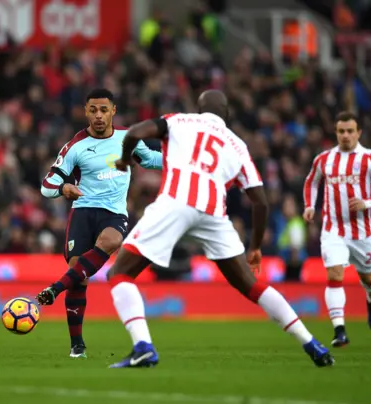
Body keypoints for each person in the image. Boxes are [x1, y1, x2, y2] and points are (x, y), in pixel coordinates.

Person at [105, 90, 335, 368]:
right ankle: (311, 343)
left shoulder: (180, 121)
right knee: (252, 286)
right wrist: (257, 247)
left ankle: (143, 346)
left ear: (200, 108)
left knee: (120, 272)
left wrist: (126, 158)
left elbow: (136, 131)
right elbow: (260, 201)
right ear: (225, 114)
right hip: (214, 213)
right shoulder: (238, 145)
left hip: (176, 201)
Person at [36, 88, 162, 358]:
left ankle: (55, 288)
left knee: (112, 240)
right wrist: (64, 189)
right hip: (82, 212)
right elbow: (48, 186)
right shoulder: (75, 146)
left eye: (104, 110)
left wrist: (186, 161)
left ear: (113, 111)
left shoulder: (128, 138)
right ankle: (76, 345)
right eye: (93, 110)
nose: (98, 115)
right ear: (86, 112)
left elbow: (151, 160)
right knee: (78, 278)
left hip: (113, 213)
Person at [303, 111, 371, 347]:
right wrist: (309, 206)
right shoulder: (324, 159)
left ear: (358, 133)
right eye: (341, 131)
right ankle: (339, 330)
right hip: (332, 228)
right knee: (334, 275)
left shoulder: (369, 159)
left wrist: (368, 202)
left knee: (368, 277)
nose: (345, 135)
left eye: (350, 131)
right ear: (336, 133)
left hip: (361, 232)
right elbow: (311, 181)